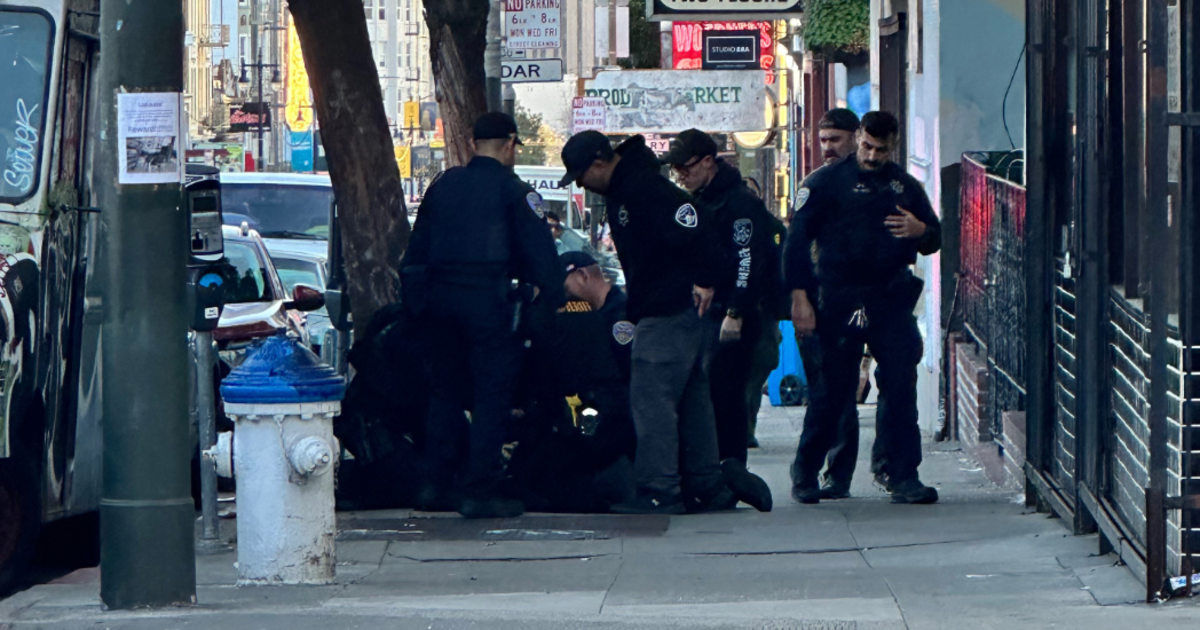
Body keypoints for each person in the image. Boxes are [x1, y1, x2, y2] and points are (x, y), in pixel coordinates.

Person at [559, 130, 769, 514]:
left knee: (651, 400)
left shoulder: (644, 189)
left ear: (599, 163)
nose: (582, 185)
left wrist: (707, 278)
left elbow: (697, 225)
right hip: (669, 309)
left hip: (666, 310)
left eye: (581, 176)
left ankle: (659, 490)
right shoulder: (628, 189)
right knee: (691, 399)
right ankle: (707, 484)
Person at [400, 112, 564, 519]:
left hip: (440, 303)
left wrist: (419, 307)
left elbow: (416, 252)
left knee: (444, 392)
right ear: (509, 146)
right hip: (490, 304)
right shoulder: (515, 192)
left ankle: (436, 484)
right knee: (492, 396)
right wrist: (538, 301)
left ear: (473, 144)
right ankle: (480, 489)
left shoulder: (442, 186)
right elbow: (544, 263)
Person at [784, 111, 942, 506]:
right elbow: (796, 242)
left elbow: (934, 236)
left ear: (893, 146)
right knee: (831, 390)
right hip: (838, 295)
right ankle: (806, 472)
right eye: (867, 146)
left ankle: (901, 473)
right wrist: (800, 297)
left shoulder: (904, 186)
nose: (872, 156)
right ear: (858, 138)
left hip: (889, 295)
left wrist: (922, 232)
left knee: (900, 385)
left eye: (881, 150)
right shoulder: (824, 183)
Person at [660, 129, 778, 511]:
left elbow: (747, 262)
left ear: (709, 162)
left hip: (732, 315)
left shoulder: (738, 203)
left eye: (686, 167)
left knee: (726, 399)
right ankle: (709, 474)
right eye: (676, 169)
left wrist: (736, 312)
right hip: (703, 313)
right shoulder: (698, 200)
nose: (681, 175)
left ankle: (731, 472)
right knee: (704, 398)